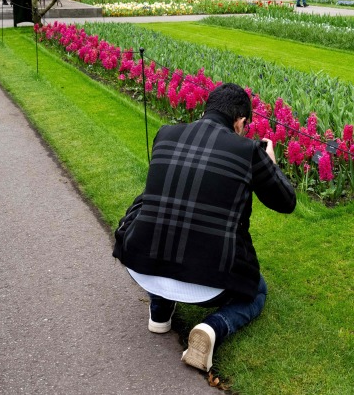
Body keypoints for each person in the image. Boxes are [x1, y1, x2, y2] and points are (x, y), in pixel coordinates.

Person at [114, 83, 296, 372]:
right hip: (209, 278)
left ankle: (160, 313)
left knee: (171, 224)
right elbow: (286, 202)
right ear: (241, 122)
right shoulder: (248, 150)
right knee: (257, 291)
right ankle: (213, 328)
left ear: (206, 109)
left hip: (142, 263)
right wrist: (270, 164)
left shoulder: (166, 133)